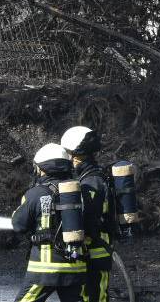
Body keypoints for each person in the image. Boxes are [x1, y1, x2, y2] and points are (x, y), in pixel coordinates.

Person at [11, 143, 87, 302]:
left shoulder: (35, 194)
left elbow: (18, 225)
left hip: (44, 269)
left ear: (42, 168)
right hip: (75, 266)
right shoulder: (80, 192)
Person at [61, 126, 119, 302]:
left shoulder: (91, 181)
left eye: (70, 154)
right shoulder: (94, 176)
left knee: (96, 297)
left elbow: (90, 217)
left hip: (95, 249)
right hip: (94, 250)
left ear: (76, 155)